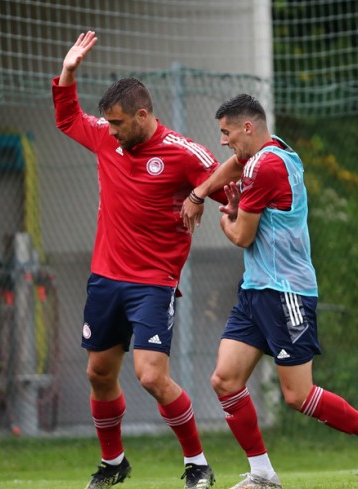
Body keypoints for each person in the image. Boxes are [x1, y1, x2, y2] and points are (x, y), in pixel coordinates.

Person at [188, 93, 358, 489]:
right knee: (225, 380)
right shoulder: (272, 151)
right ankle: (263, 474)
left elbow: (241, 235)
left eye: (226, 132)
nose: (222, 141)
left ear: (248, 127)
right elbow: (234, 165)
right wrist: (200, 192)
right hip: (257, 290)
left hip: (286, 292)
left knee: (297, 395)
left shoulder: (266, 166)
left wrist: (227, 216)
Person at [54, 31, 228, 489]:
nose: (108, 130)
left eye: (116, 123)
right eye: (107, 123)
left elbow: (230, 186)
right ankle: (114, 464)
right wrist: (69, 71)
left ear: (143, 116)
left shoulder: (183, 153)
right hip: (105, 278)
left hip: (153, 281)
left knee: (151, 376)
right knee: (98, 373)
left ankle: (197, 463)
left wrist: (197, 194)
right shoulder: (107, 140)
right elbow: (68, 116)